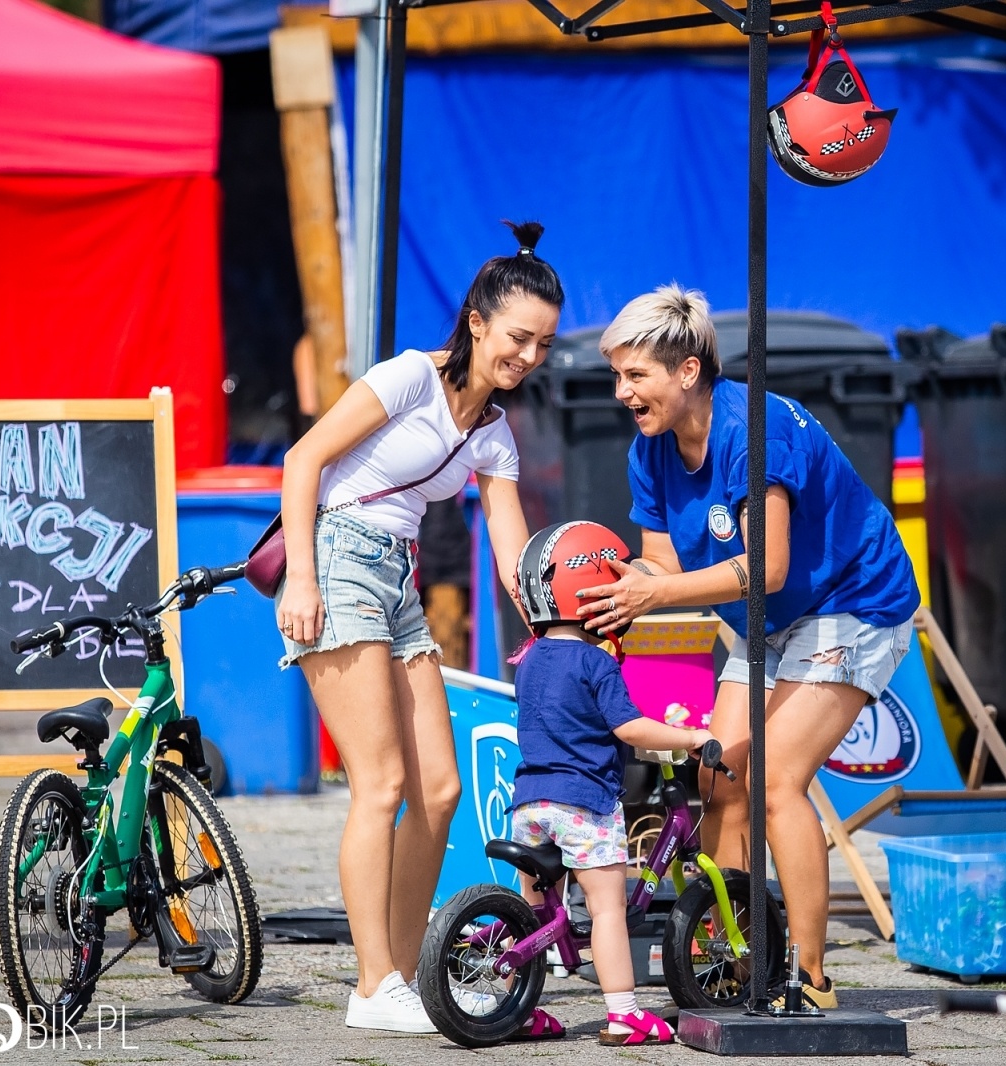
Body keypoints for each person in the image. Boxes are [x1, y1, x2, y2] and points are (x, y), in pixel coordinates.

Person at [573, 284, 920, 1007]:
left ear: (688, 371)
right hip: (762, 619)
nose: (621, 392)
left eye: (635, 375)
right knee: (717, 777)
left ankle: (811, 976)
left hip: (852, 603)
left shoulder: (753, 429)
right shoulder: (653, 448)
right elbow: (664, 569)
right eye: (617, 375)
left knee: (772, 779)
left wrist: (655, 593)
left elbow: (768, 567)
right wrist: (601, 590)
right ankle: (735, 957)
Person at [275, 221, 560, 1032]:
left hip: (395, 579)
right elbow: (304, 461)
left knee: (439, 788)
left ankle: (400, 977)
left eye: (541, 343)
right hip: (336, 561)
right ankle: (372, 985)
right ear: (476, 322)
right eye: (517, 337)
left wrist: (554, 620)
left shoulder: (494, 433)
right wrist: (303, 578)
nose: (529, 357)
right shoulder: (408, 377)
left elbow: (512, 551)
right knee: (383, 784)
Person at [507, 521, 715, 1043]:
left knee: (533, 914)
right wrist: (689, 737)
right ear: (595, 592)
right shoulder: (594, 661)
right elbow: (629, 727)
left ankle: (516, 1007)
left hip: (529, 803)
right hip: (584, 805)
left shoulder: (529, 659)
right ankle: (624, 1013)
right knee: (606, 911)